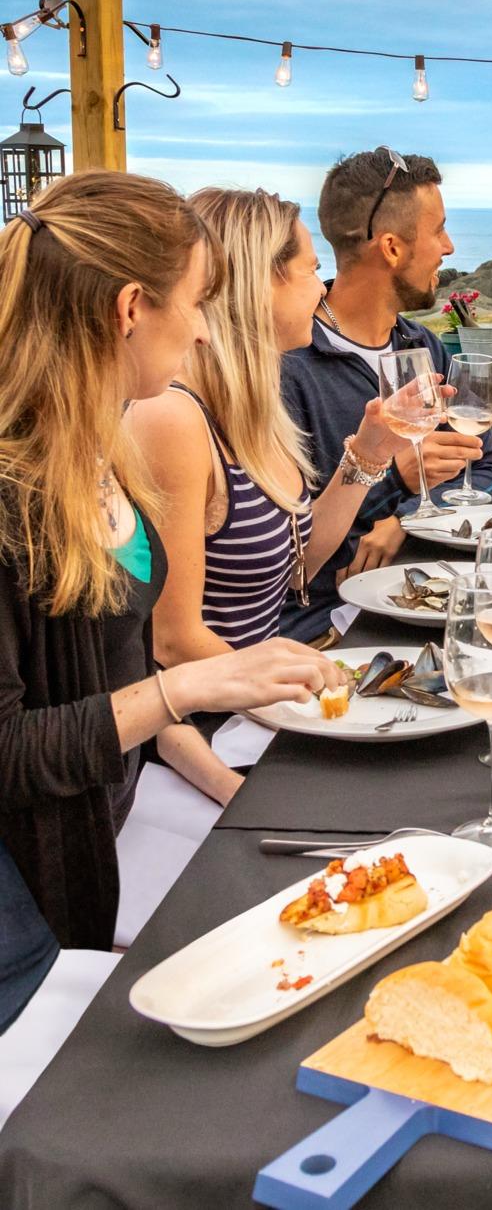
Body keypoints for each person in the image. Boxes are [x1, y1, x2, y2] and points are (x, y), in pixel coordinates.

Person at [0, 172, 339, 960]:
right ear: (129, 310)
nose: (204, 332)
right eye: (193, 304)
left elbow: (121, 675)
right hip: (38, 908)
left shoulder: (102, 444)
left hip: (110, 829)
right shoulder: (15, 492)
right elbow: (10, 750)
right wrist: (186, 687)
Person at [129, 189, 409, 796]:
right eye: (311, 270)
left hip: (258, 715)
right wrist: (316, 695)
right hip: (207, 735)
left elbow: (298, 565)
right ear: (263, 284)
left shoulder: (255, 410)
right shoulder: (174, 419)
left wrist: (369, 452)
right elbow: (172, 641)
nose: (322, 289)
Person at [279, 148, 492, 644]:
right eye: (438, 230)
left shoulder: (421, 346)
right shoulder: (290, 364)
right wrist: (397, 481)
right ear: (391, 248)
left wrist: (406, 518)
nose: (449, 247)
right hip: (332, 631)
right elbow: (288, 558)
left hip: (423, 603)